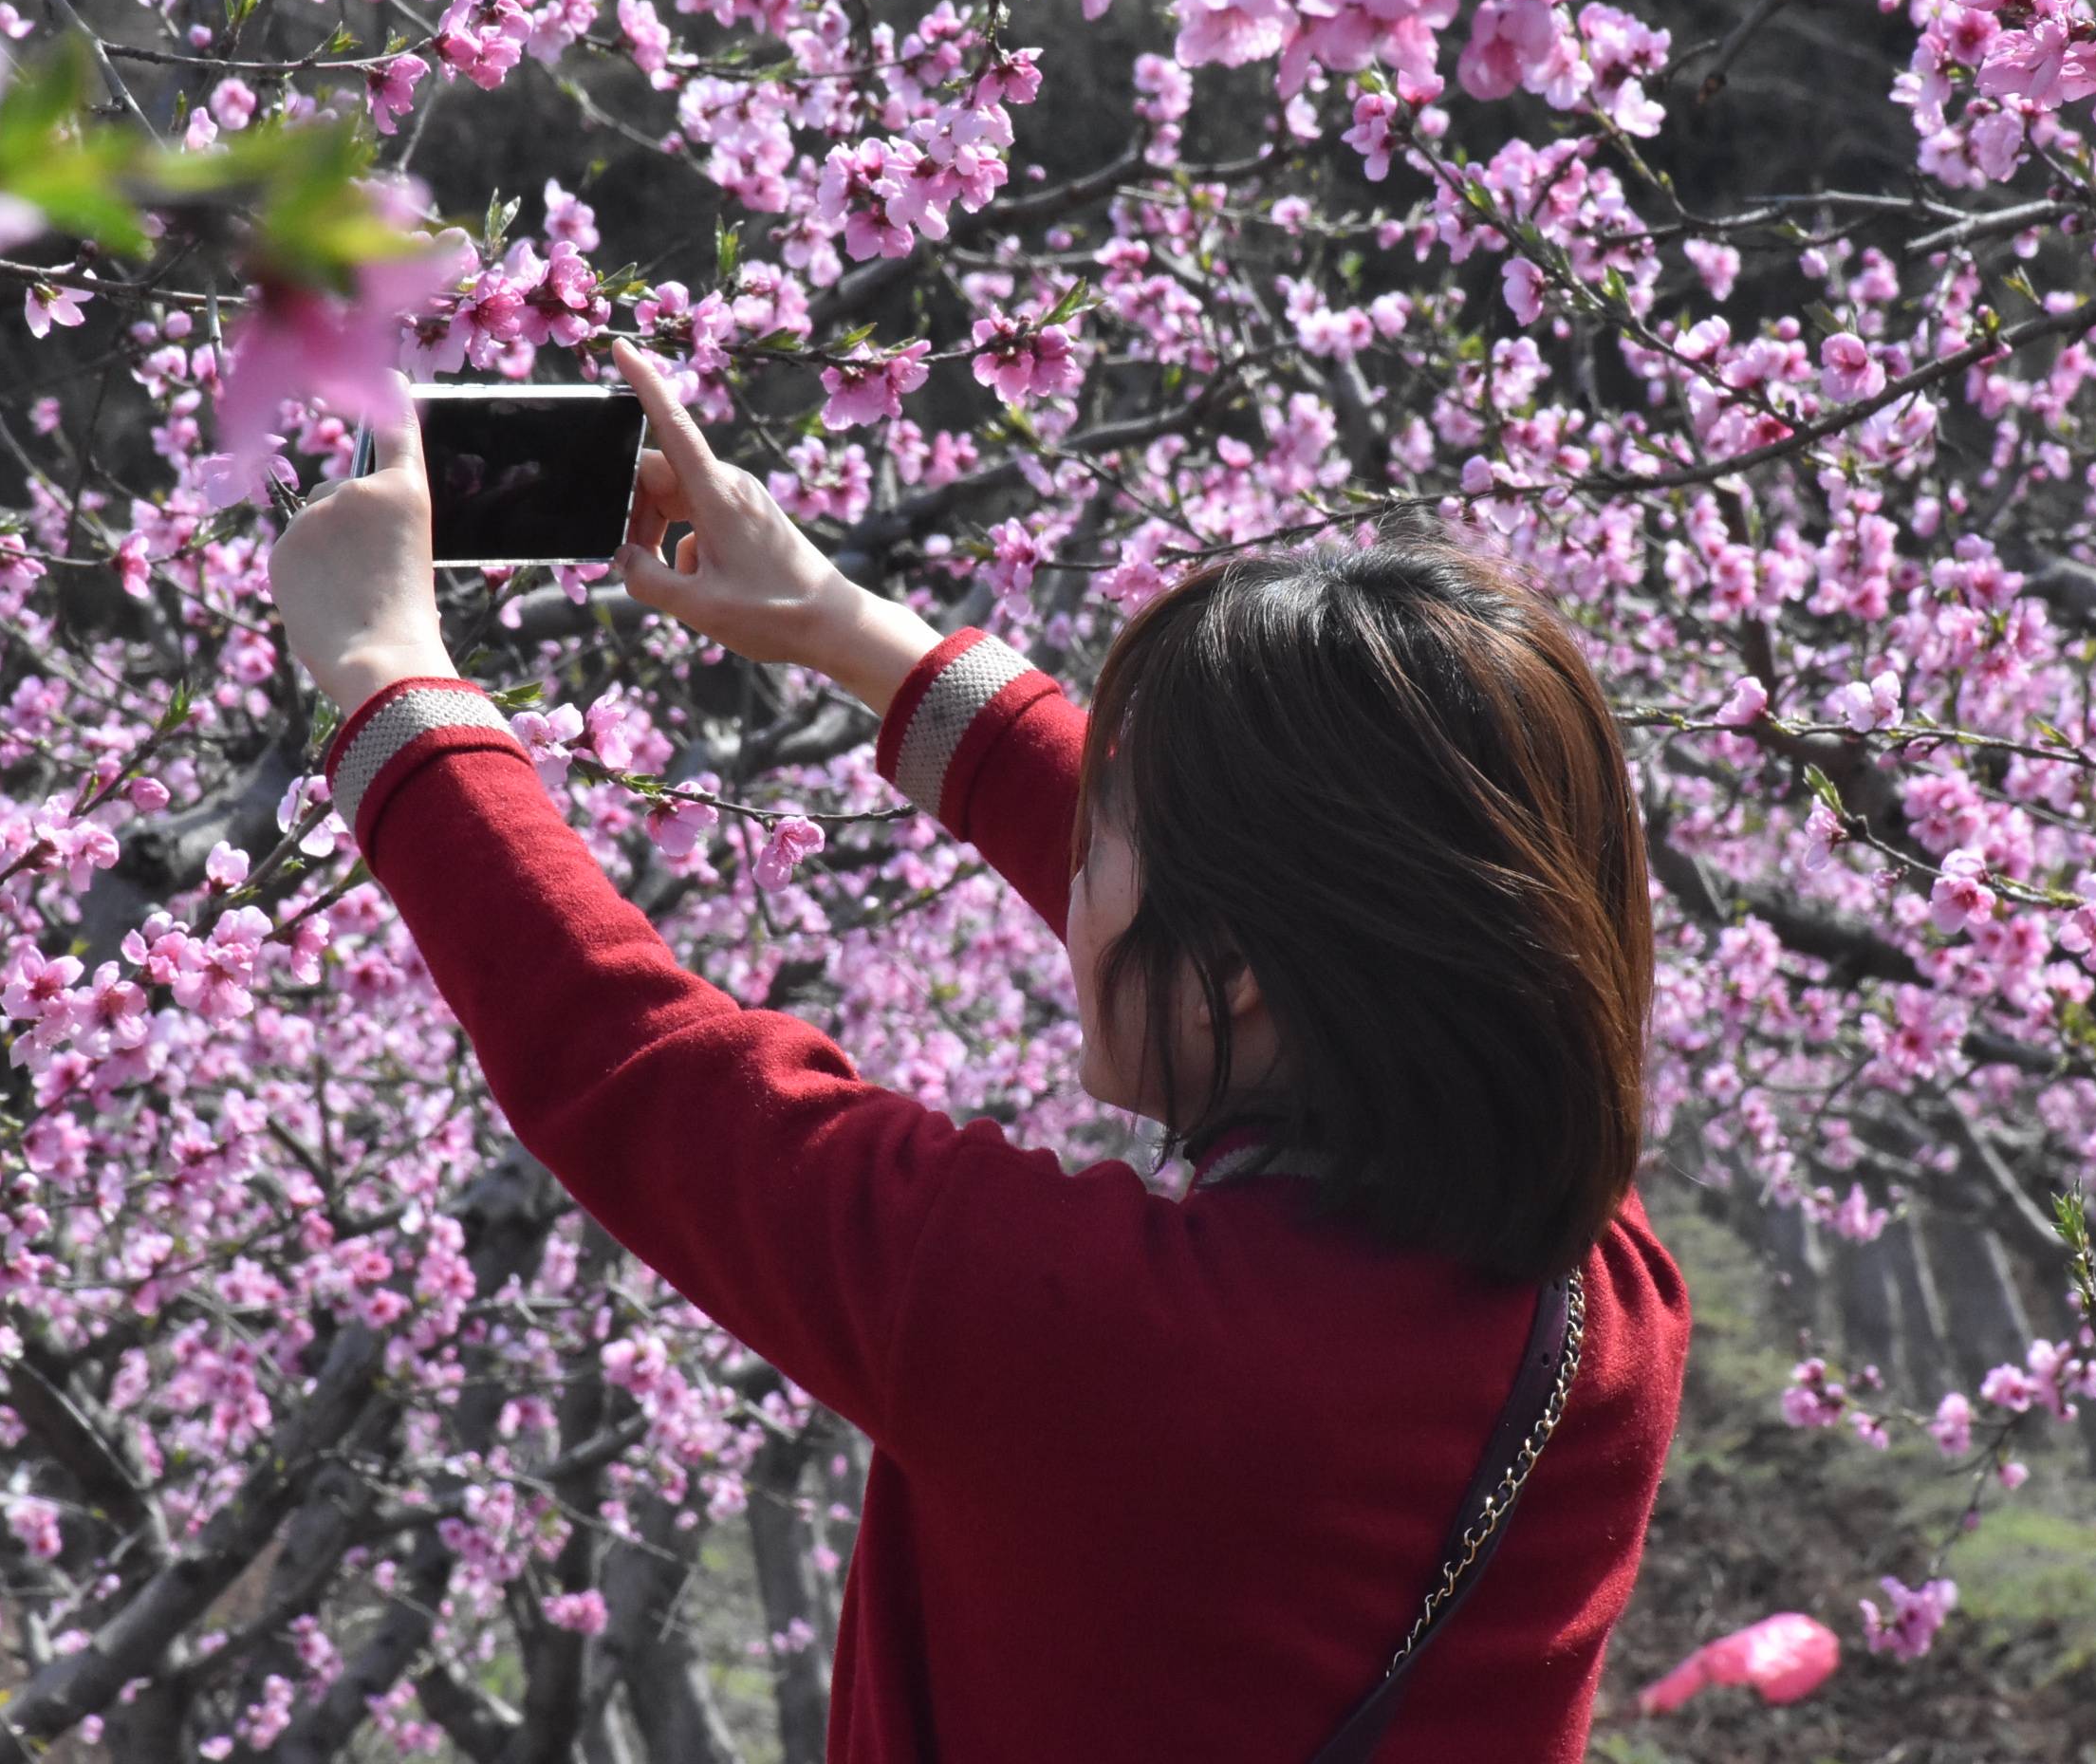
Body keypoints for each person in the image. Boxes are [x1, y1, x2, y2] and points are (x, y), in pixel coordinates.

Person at [268, 339, 1692, 1762]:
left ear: (1247, 965)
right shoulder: (1607, 1292)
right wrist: (833, 622)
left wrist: (390, 679)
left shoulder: (1094, 1339)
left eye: (1116, 839)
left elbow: (634, 1057)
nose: (1075, 872)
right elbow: (1340, 897)